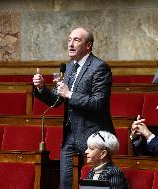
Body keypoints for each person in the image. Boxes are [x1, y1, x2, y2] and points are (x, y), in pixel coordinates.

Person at [33, 27, 114, 189]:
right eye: (69, 40)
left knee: (94, 186)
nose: (70, 44)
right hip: (70, 136)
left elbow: (99, 103)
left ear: (89, 45)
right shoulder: (69, 67)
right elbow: (56, 101)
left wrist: (70, 95)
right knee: (65, 184)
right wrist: (42, 88)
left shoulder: (99, 67)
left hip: (94, 137)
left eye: (76, 40)